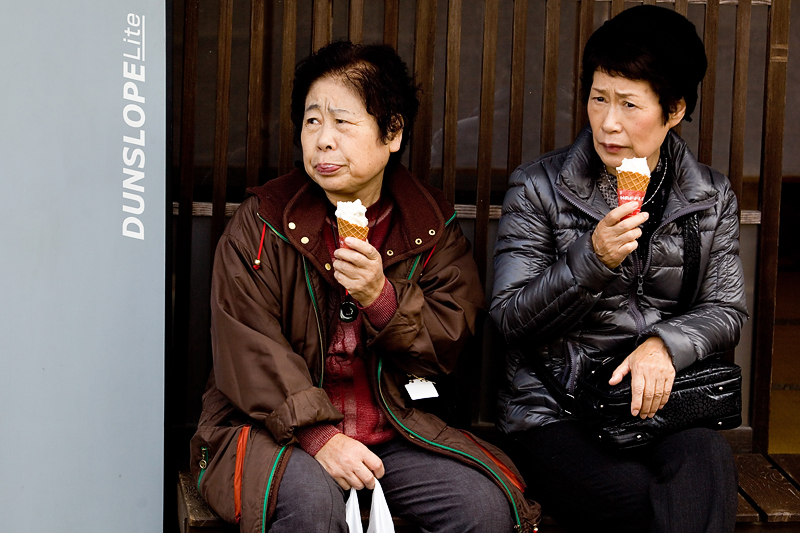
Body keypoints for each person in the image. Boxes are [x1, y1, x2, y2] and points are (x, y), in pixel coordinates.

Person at [190, 40, 540, 533]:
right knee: (314, 506)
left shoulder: (429, 224)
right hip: (273, 431)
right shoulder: (263, 222)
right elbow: (247, 344)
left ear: (392, 132)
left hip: (394, 428)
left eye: (342, 122)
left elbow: (448, 339)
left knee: (483, 508)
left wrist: (382, 300)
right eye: (312, 122)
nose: (323, 140)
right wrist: (318, 436)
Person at [490, 6, 747, 532]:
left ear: (673, 110)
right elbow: (508, 317)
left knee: (708, 462)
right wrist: (594, 259)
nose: (609, 123)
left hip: (659, 406)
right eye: (599, 98)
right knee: (650, 507)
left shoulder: (709, 196)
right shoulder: (539, 187)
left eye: (630, 104)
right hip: (553, 409)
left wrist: (665, 346)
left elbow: (726, 308)